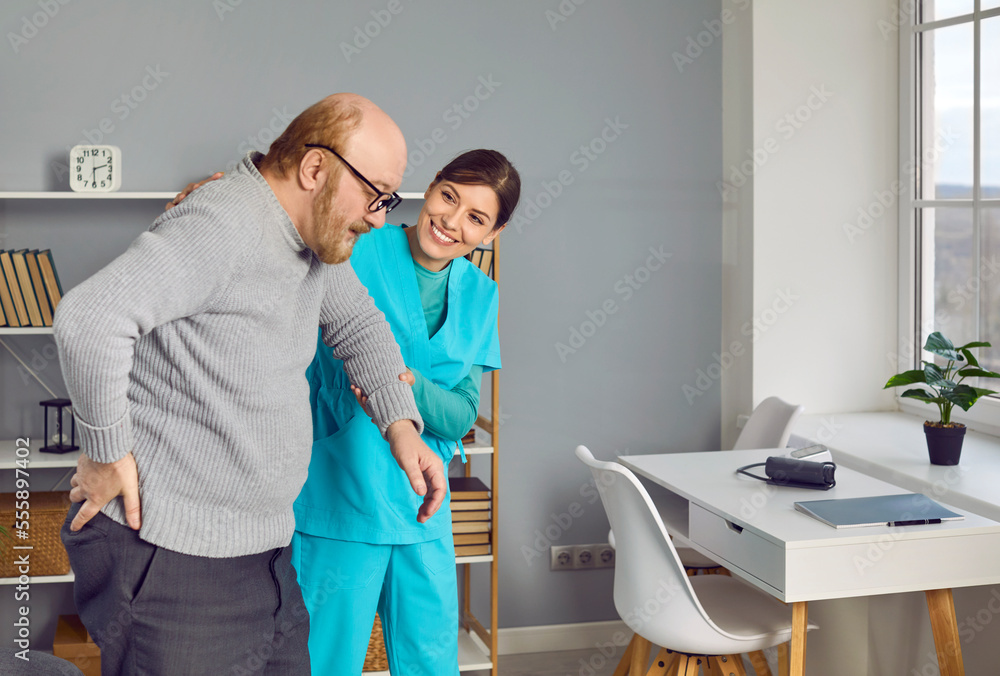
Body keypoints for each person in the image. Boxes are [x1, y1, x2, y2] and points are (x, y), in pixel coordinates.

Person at [53, 93, 447, 676]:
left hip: (261, 553)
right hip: (171, 555)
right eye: (375, 195)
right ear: (315, 170)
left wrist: (401, 425)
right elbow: (89, 319)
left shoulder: (311, 239)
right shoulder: (224, 222)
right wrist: (107, 454)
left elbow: (358, 324)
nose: (380, 217)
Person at [292, 149, 520, 675]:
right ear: (432, 186)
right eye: (448, 197)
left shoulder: (481, 296)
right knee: (326, 663)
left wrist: (401, 379)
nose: (451, 222)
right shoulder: (358, 245)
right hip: (341, 494)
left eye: (476, 218)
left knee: (432, 663)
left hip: (422, 505)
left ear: (493, 233)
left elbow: (462, 416)